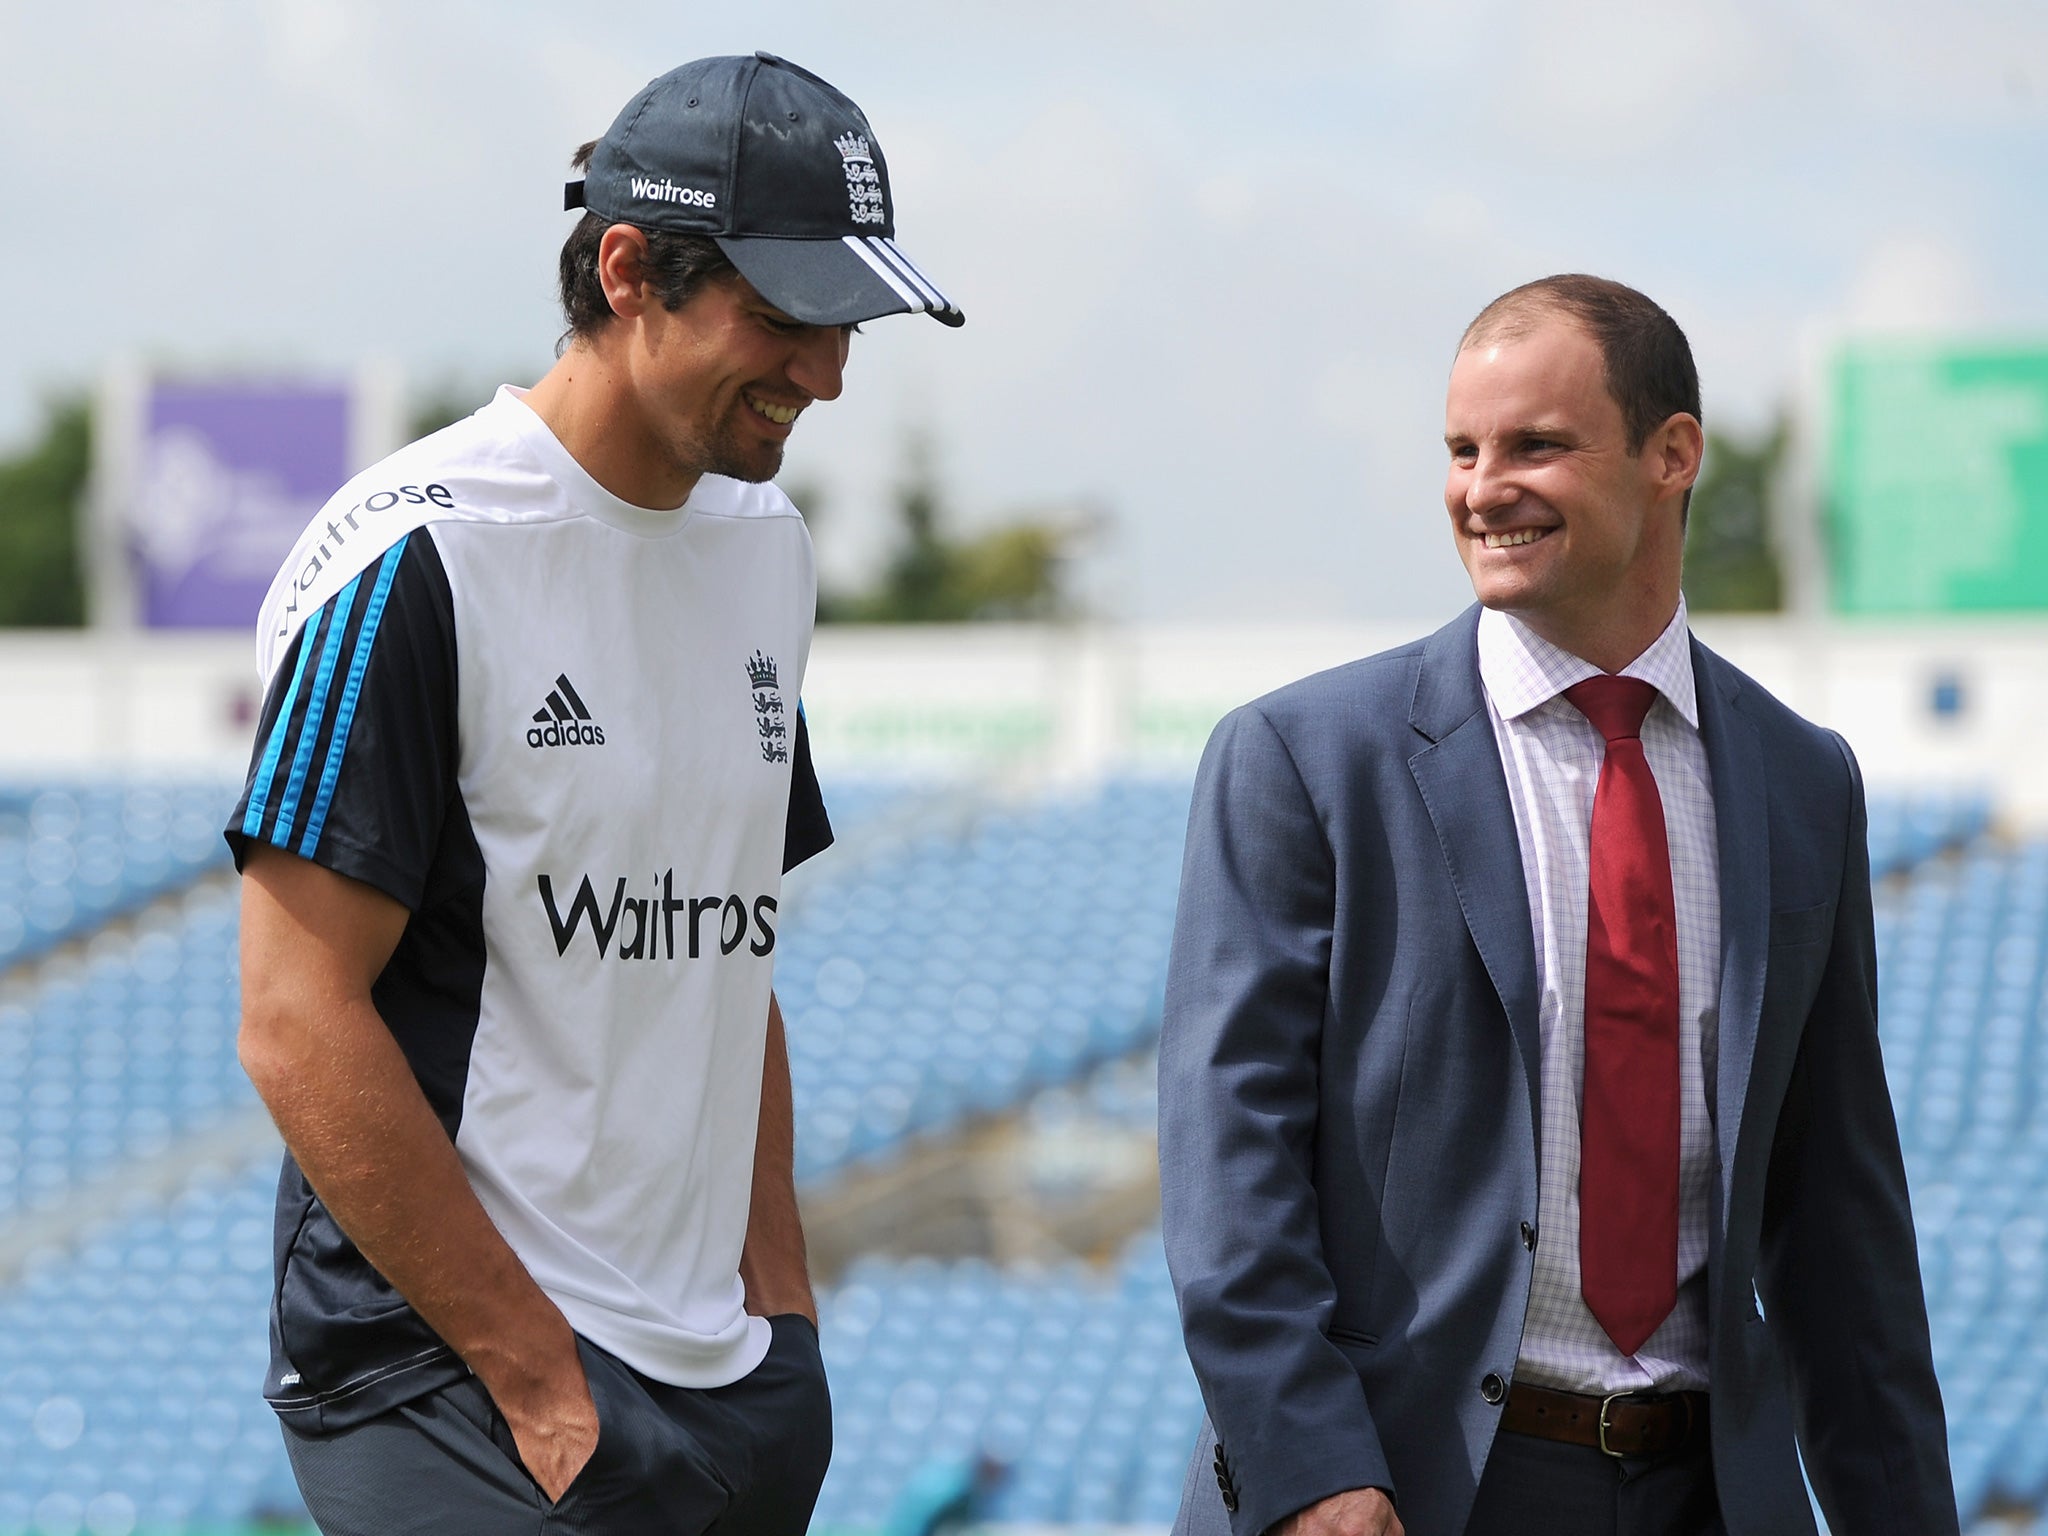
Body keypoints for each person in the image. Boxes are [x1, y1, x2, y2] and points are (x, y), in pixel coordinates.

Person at [227, 52, 961, 1536]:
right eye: (782, 315)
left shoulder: (769, 550)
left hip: (720, 1380)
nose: (824, 373)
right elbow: (295, 1016)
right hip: (463, 1386)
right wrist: (539, 1378)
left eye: (847, 325)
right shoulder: (414, 556)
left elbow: (728, 955)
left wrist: (783, 1320)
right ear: (628, 271)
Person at [1158, 275, 1955, 1536]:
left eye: (1534, 445)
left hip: (1713, 1494)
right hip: (1410, 1493)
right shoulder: (1303, 760)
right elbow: (1228, 1164)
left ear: (1670, 456)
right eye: (1461, 451)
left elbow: (1838, 1220)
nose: (1481, 488)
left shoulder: (1804, 783)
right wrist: (1309, 1467)